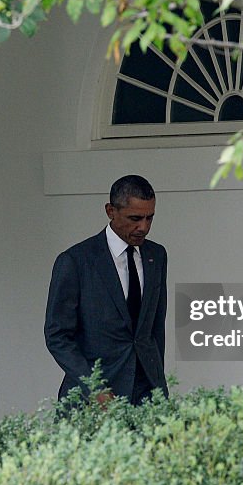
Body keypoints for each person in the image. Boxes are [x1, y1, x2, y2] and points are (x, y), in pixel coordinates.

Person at [45, 174, 168, 405]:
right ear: (110, 211)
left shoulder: (156, 256)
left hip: (147, 396)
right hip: (93, 397)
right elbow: (57, 336)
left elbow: (154, 330)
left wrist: (159, 386)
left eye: (150, 218)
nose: (143, 227)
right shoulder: (75, 261)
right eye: (135, 218)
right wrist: (93, 386)